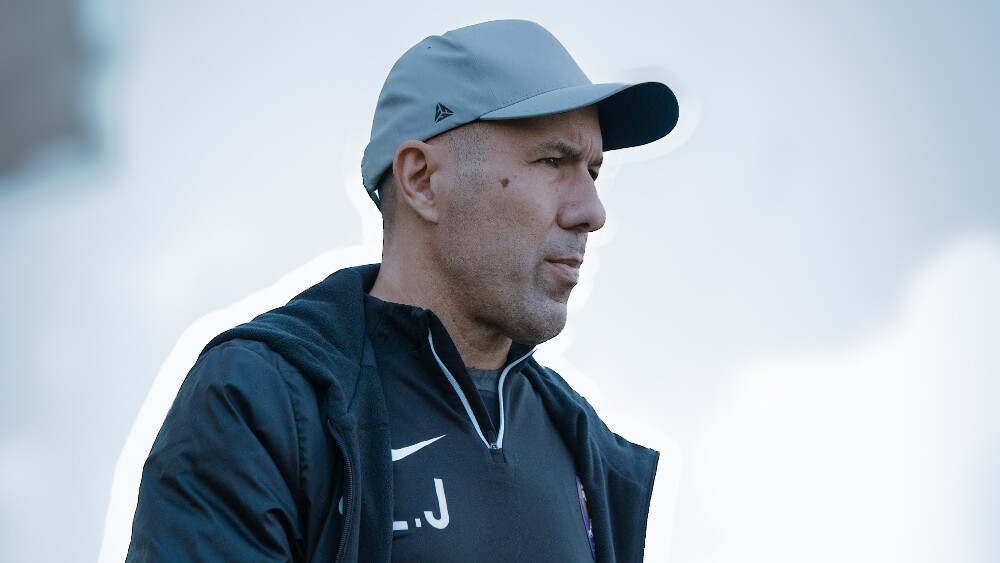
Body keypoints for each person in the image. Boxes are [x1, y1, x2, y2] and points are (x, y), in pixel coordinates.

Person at [126, 19, 678, 563]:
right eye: (553, 161)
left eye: (594, 172)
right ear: (421, 180)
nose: (592, 212)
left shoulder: (590, 454)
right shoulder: (261, 402)